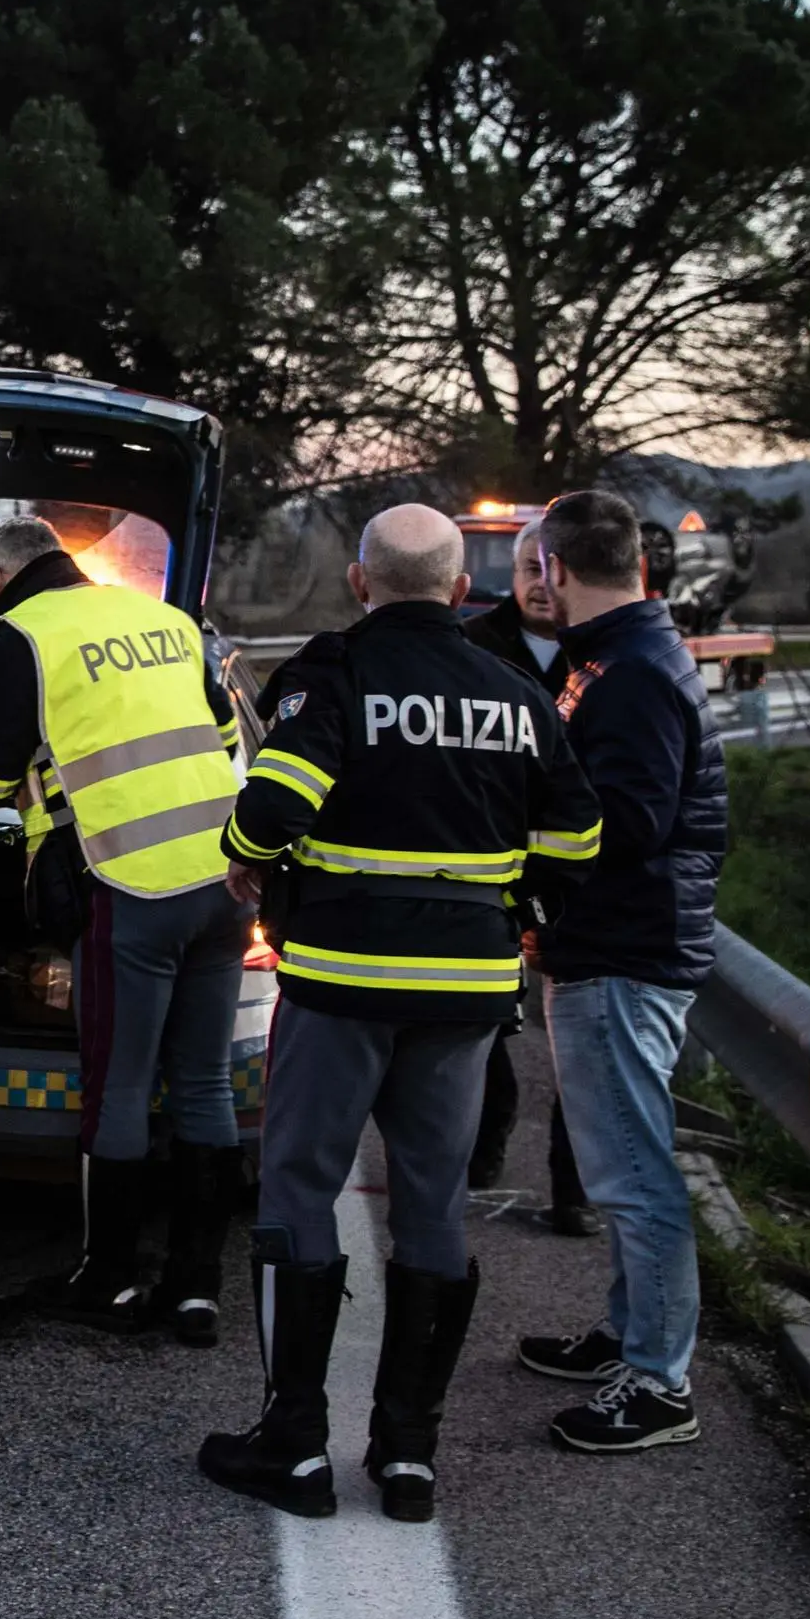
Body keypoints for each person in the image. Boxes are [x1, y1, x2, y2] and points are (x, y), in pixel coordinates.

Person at [197, 504, 600, 1522]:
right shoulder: (516, 693)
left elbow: (271, 804)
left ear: (357, 580)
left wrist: (249, 860)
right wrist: (514, 902)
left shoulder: (331, 675)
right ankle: (407, 1453)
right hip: (463, 991)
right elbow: (577, 837)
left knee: (296, 1187)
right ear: (461, 589)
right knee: (431, 1203)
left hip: (340, 979)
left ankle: (292, 1444)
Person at [0, 513, 250, 1346]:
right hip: (225, 882)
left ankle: (108, 1280)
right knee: (204, 1086)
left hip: (129, 880)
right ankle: (195, 1288)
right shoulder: (164, 618)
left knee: (116, 1087)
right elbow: (223, 735)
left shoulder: (21, 636)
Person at [517, 488, 727, 1455]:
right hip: (616, 941)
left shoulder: (631, 671)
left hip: (624, 949)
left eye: (532, 569)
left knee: (634, 1170)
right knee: (620, 1166)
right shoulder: (619, 655)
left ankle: (658, 1382)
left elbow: (630, 821)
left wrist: (522, 844)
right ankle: (626, 1334)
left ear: (556, 569)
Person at [462, 517, 598, 1234]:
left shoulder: (603, 655)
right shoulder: (472, 646)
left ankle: (571, 1193)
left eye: (552, 568)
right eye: (527, 568)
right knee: (486, 1028)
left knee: (578, 1045)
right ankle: (483, 1144)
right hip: (493, 872)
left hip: (577, 875)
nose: (540, 583)